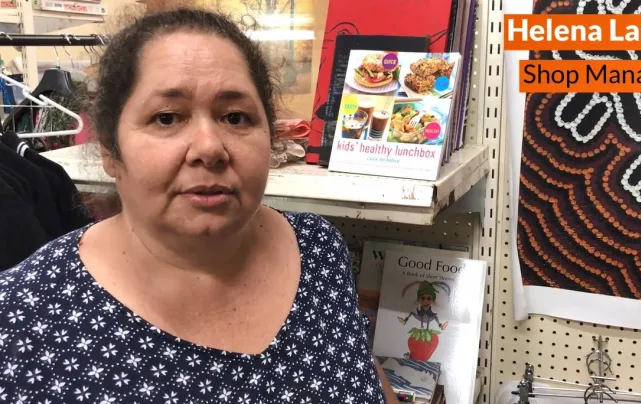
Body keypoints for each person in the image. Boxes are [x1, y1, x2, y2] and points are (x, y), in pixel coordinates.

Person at [0, 9, 397, 403]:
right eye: (167, 117)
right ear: (110, 149)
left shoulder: (319, 248)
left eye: (236, 117)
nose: (209, 148)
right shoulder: (22, 319)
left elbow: (361, 373)